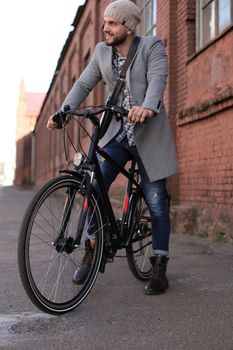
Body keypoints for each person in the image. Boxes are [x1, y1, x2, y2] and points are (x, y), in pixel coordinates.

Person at [47, 0, 179, 295]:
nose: (105, 28)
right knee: (92, 185)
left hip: (147, 132)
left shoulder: (151, 46)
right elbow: (82, 84)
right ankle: (93, 247)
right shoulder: (101, 52)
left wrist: (148, 106)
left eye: (112, 23)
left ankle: (159, 264)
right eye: (104, 22)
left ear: (129, 27)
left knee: (156, 200)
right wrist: (63, 112)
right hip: (117, 134)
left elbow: (158, 79)